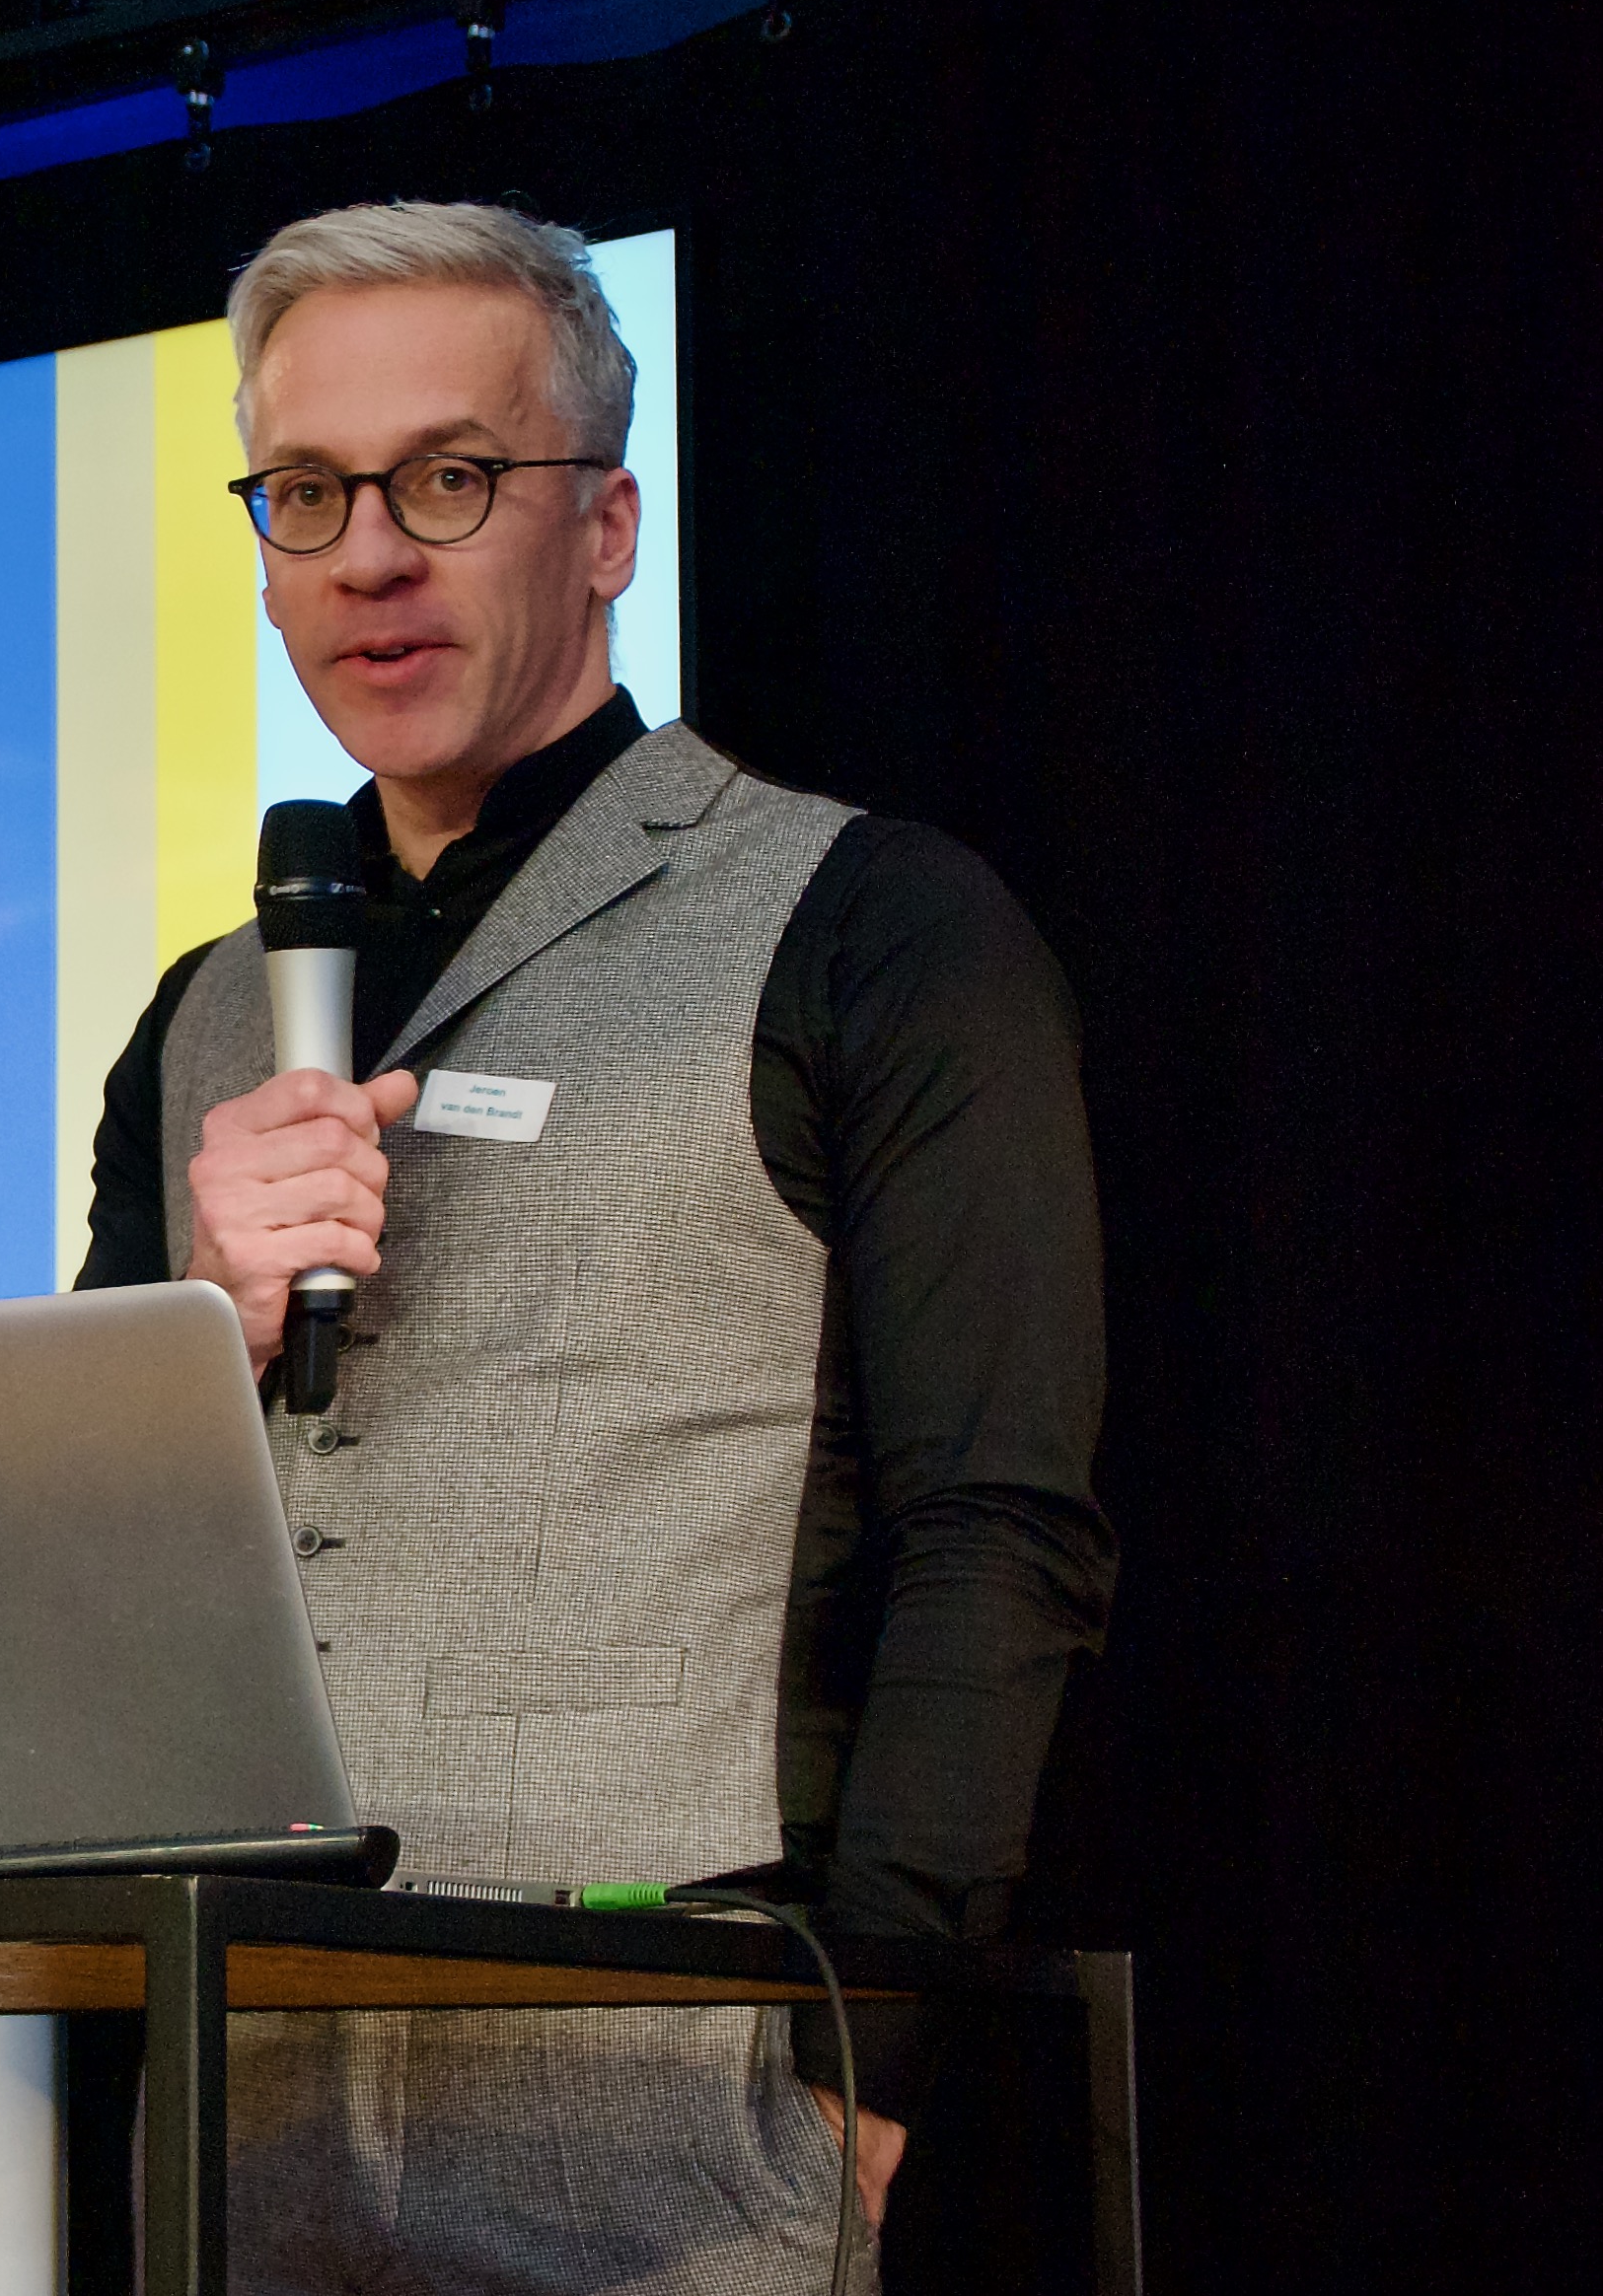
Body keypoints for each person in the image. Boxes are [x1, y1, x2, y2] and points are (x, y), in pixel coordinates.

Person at [77, 201, 1116, 2292]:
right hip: (243, 2068)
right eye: (305, 492)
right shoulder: (203, 1009)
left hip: (671, 2086)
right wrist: (200, 1317)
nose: (367, 555)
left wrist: (861, 2058)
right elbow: (82, 1578)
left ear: (608, 524)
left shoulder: (871, 922)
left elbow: (995, 1528)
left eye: (449, 477)